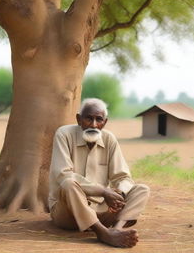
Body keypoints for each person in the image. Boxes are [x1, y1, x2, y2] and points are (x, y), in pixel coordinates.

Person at [49, 98, 150, 248]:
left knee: (142, 189)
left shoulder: (109, 139)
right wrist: (104, 191)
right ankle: (103, 233)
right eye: (89, 118)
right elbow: (63, 175)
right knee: (69, 183)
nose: (94, 125)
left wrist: (119, 195)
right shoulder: (64, 134)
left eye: (99, 119)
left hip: (102, 211)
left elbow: (123, 177)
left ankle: (116, 230)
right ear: (79, 119)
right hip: (68, 212)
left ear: (105, 122)